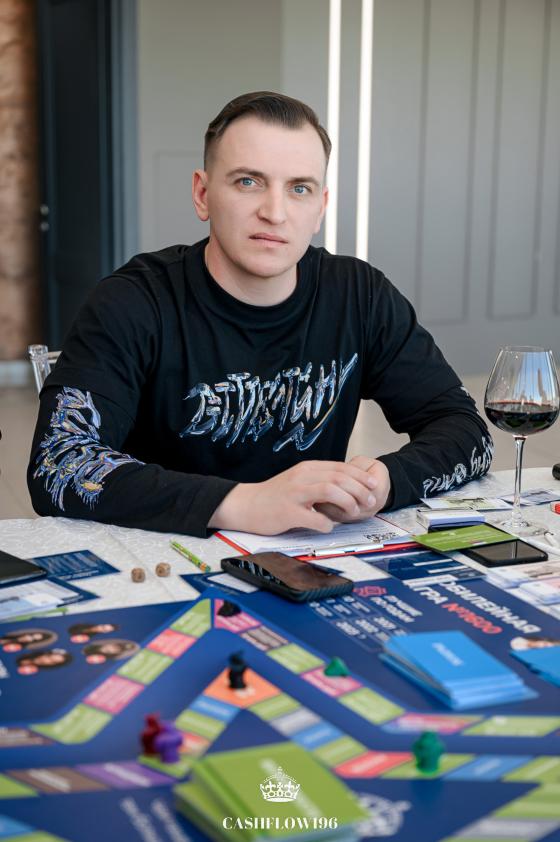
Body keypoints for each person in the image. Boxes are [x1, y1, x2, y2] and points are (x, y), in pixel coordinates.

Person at [27, 91, 492, 538]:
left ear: (320, 208)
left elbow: (465, 430)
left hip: (311, 558)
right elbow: (59, 463)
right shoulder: (132, 301)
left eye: (299, 188)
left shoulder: (360, 295)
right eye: (248, 182)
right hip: (161, 559)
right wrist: (245, 504)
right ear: (203, 194)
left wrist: (385, 481)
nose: (275, 212)